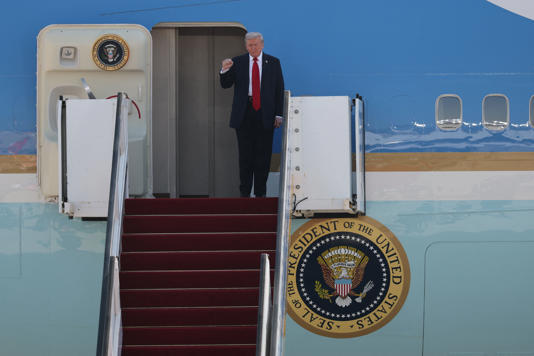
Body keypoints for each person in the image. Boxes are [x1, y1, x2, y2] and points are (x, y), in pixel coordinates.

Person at [220, 32, 284, 198]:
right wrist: (224, 70)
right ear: (246, 46)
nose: (253, 48)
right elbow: (225, 84)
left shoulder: (273, 62)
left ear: (262, 45)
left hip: (265, 113)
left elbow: (279, 89)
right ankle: (245, 194)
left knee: (263, 157)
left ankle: (260, 194)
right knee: (245, 156)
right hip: (244, 114)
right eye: (250, 45)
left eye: (255, 45)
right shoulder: (238, 62)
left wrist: (279, 114)